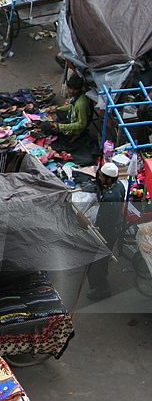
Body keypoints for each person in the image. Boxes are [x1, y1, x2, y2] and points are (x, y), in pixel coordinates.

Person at [87, 162, 125, 300]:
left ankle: (102, 290)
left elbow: (103, 219)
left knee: (95, 263)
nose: (100, 178)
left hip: (106, 232)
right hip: (115, 227)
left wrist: (94, 229)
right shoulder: (119, 186)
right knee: (102, 260)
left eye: (102, 176)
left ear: (109, 179)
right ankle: (101, 278)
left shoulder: (110, 196)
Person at [51, 75, 93, 140]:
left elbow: (82, 124)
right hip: (73, 116)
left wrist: (61, 126)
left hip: (79, 127)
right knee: (58, 113)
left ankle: (76, 135)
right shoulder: (77, 96)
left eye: (75, 89)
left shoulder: (81, 104)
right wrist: (57, 109)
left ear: (79, 89)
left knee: (52, 129)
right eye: (70, 88)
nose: (71, 91)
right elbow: (72, 106)